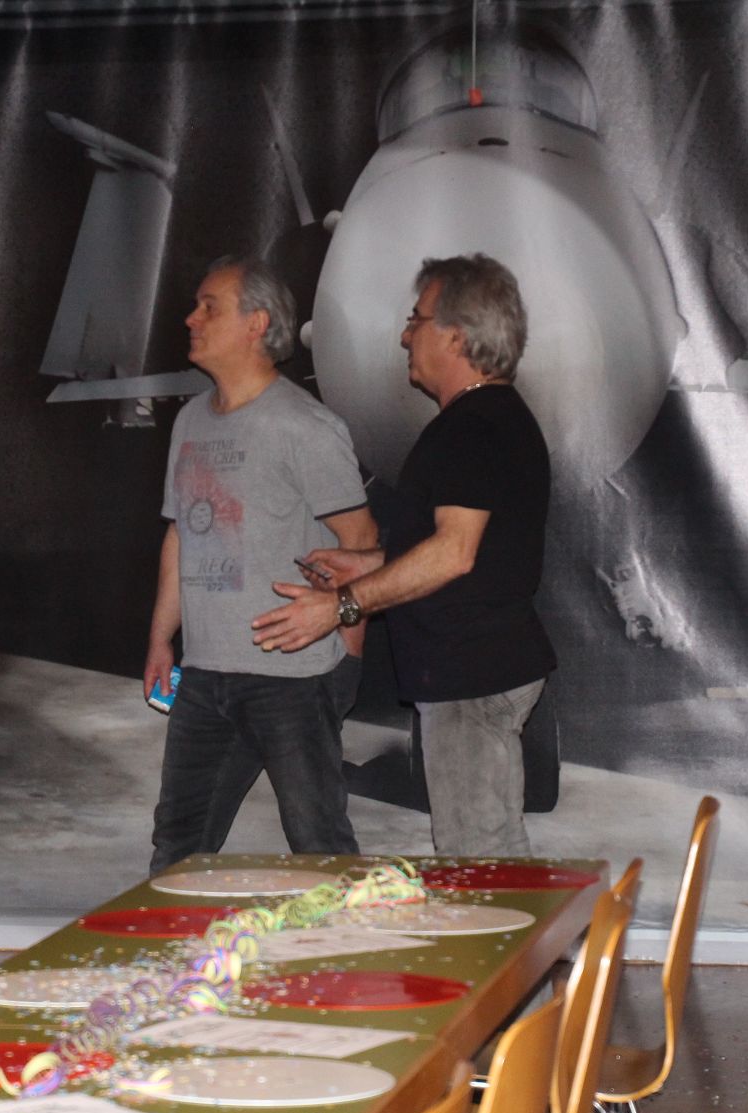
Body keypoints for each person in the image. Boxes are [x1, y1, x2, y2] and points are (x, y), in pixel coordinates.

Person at [250, 253, 555, 856]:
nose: (404, 335)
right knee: (488, 858)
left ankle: (519, 927)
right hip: (479, 668)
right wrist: (369, 564)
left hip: (472, 676)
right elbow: (475, 551)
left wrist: (342, 605)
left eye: (417, 319)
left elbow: (454, 554)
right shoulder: (490, 419)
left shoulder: (472, 426)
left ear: (457, 335)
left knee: (478, 864)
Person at [144, 256, 377, 873]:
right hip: (204, 674)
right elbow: (180, 535)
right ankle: (177, 941)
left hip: (290, 677)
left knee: (319, 844)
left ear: (257, 324)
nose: (190, 318)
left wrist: (347, 656)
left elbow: (362, 544)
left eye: (209, 307)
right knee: (177, 845)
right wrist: (162, 639)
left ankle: (349, 939)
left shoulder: (305, 426)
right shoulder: (189, 421)